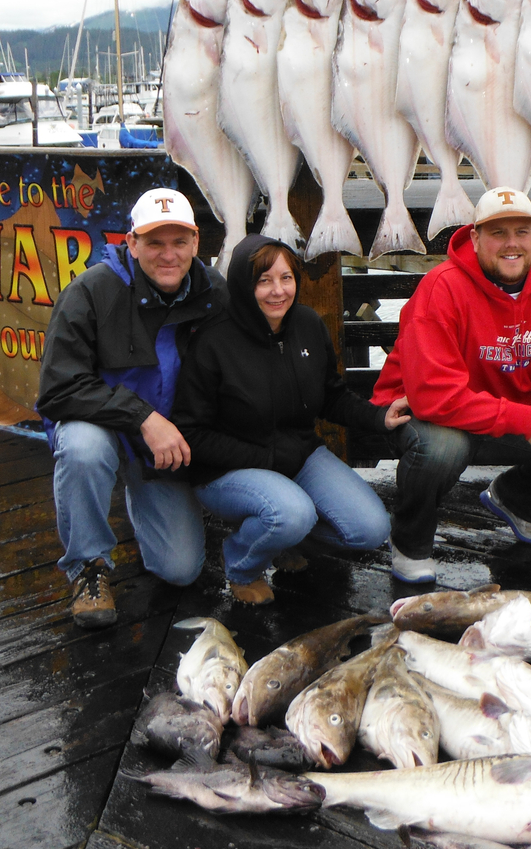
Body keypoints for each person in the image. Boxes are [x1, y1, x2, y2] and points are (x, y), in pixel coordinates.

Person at [371, 186, 531, 583]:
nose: (512, 244)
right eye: (498, 233)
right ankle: (410, 542)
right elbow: (434, 394)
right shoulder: (441, 288)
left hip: (504, 413)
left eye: (522, 232)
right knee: (443, 449)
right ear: (475, 238)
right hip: (423, 414)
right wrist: (529, 421)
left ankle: (516, 501)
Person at [172, 235, 409, 604]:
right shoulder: (212, 341)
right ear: (243, 284)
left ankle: (277, 539)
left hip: (297, 455)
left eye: (286, 278)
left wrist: (379, 417)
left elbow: (331, 395)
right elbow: (192, 434)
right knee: (290, 512)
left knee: (371, 529)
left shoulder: (308, 324)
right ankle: (242, 564)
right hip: (224, 471)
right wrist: (265, 459)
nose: (277, 291)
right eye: (263, 280)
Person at [37, 188, 227, 629]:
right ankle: (88, 568)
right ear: (131, 243)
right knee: (83, 448)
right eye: (154, 242)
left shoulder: (214, 291)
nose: (168, 254)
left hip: (162, 448)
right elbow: (57, 389)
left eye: (179, 242)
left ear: (197, 243)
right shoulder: (89, 292)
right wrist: (142, 418)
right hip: (104, 427)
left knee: (180, 570)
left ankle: (139, 496)